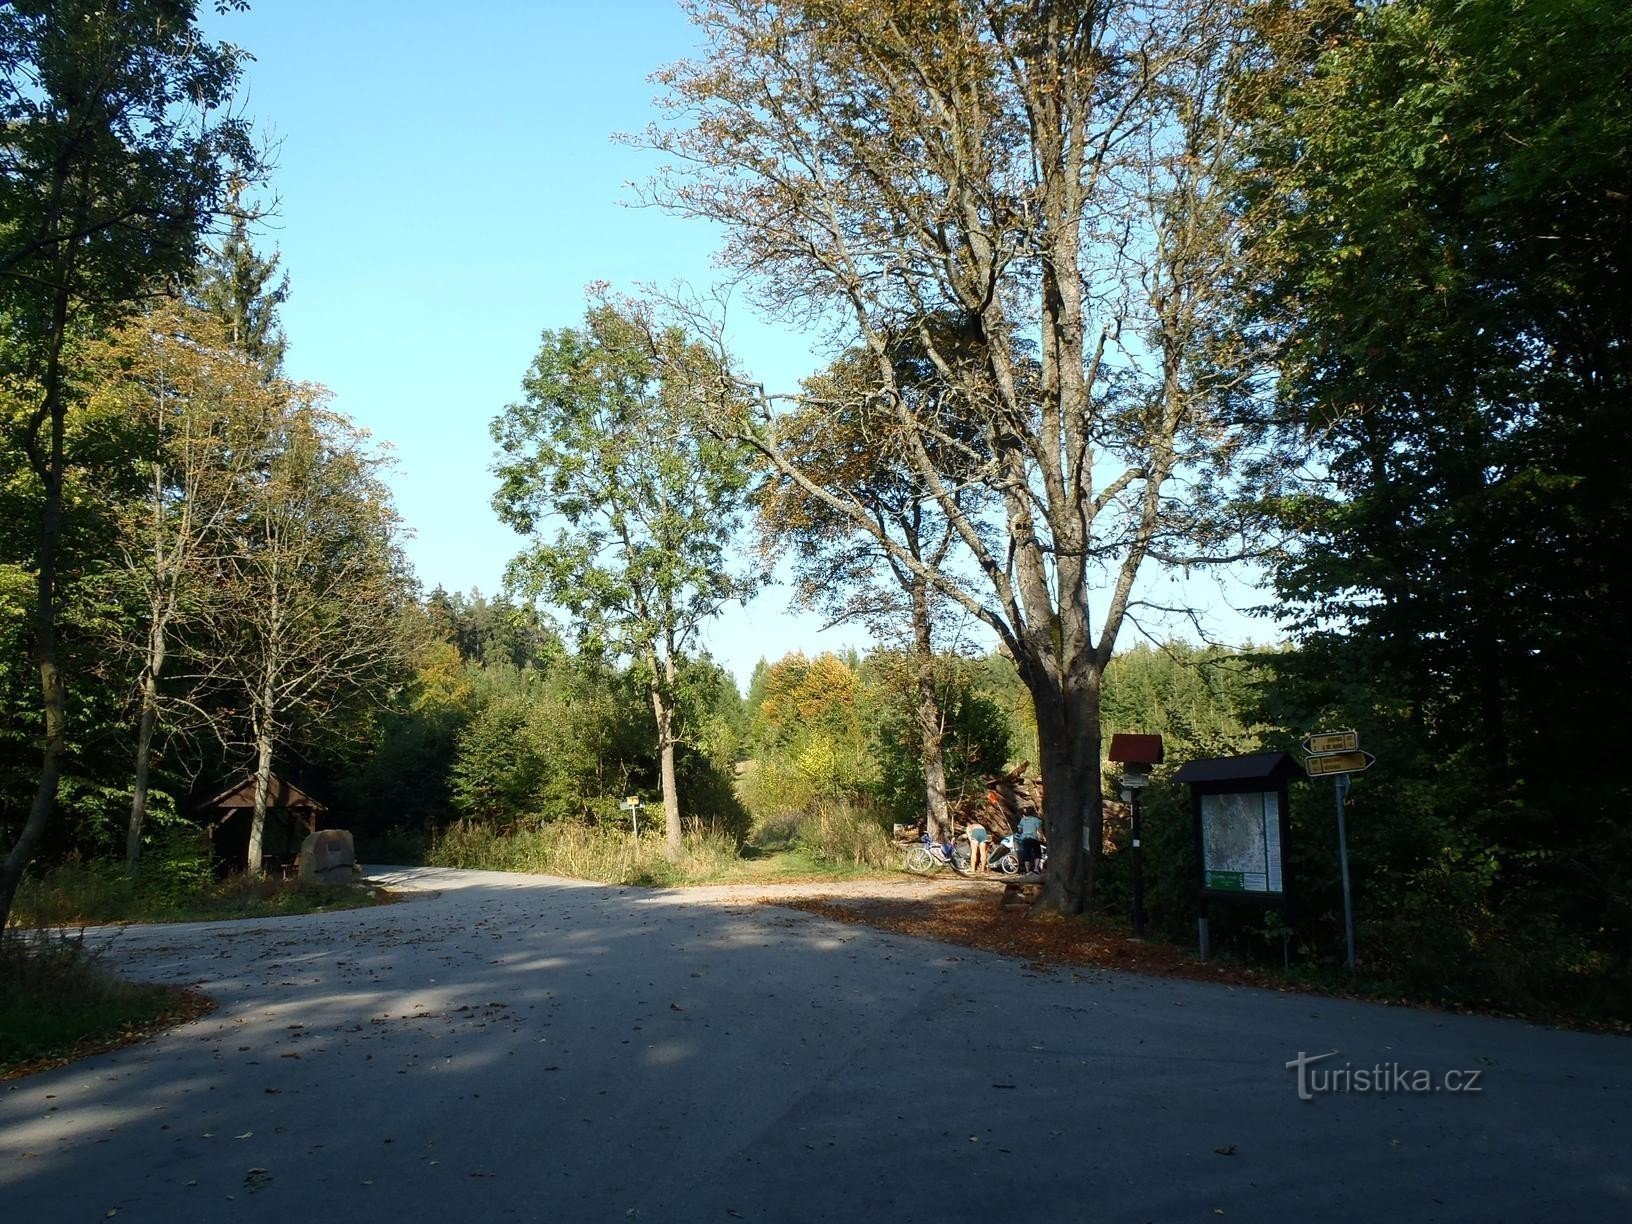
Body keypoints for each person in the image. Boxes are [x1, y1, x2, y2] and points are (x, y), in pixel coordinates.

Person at [1016, 810, 1044, 875]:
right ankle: (1036, 868)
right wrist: (1042, 837)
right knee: (1038, 853)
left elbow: (1019, 829)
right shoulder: (1036, 820)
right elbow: (1039, 829)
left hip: (1025, 839)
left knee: (1027, 854)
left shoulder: (1023, 820)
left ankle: (1027, 871)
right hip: (1034, 838)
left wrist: (1023, 831)